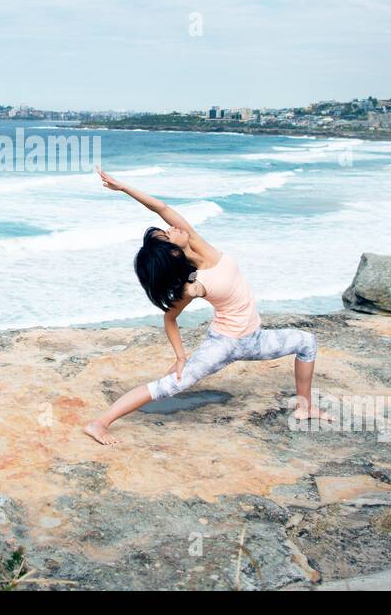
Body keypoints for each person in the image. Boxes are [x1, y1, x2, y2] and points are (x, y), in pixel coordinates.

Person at [84, 167, 325, 445]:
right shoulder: (193, 285)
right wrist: (180, 356)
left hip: (255, 337)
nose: (171, 228)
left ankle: (304, 406)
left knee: (307, 343)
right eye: (167, 234)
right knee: (169, 386)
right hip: (224, 344)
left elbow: (160, 207)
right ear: (173, 252)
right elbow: (169, 319)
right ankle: (99, 423)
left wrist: (123, 187)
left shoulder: (198, 245)